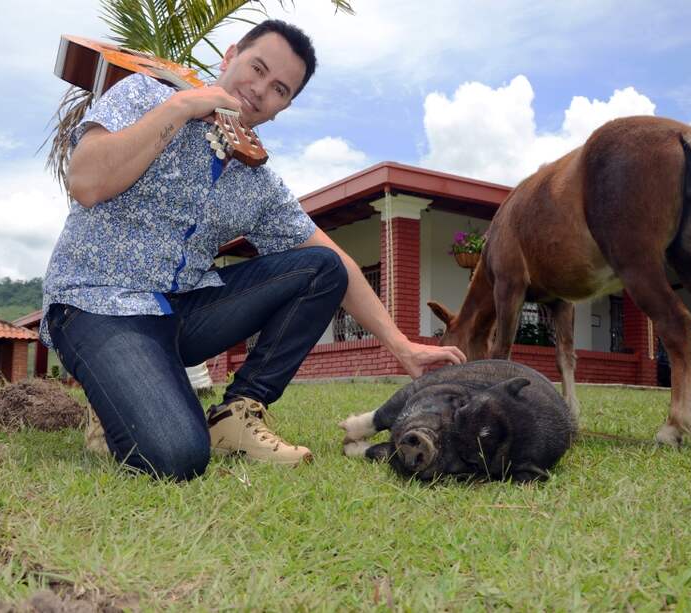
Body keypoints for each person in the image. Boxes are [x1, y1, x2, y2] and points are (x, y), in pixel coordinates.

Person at [42, 19, 465, 480]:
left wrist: (402, 347)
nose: (260, 90)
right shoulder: (145, 94)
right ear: (231, 57)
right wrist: (183, 106)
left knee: (322, 268)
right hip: (95, 303)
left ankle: (238, 414)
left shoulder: (255, 181)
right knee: (177, 456)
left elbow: (338, 264)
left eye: (279, 88)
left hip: (180, 312)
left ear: (284, 106)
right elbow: (87, 182)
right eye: (257, 68)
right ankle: (113, 398)